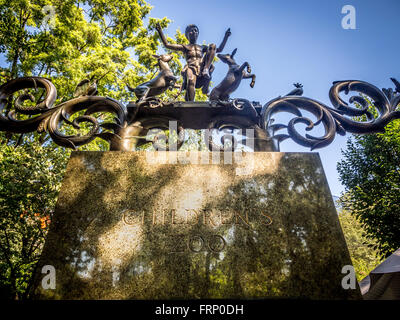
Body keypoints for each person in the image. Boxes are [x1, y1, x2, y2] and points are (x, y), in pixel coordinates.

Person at [156, 23, 231, 101]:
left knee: (212, 46)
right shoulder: (185, 47)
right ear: (187, 34)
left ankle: (206, 70)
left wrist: (226, 37)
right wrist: (160, 31)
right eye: (191, 31)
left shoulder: (202, 47)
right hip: (191, 68)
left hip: (202, 67)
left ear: (198, 34)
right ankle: (191, 103)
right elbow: (167, 44)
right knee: (191, 81)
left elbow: (218, 50)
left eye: (196, 30)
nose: (194, 32)